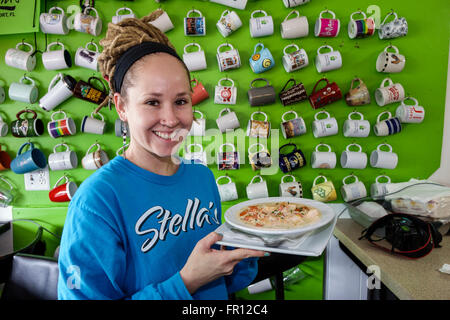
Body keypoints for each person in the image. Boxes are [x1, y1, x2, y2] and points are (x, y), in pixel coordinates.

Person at [57, 14, 266, 300]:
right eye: (152, 102)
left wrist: (249, 249)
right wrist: (187, 281)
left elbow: (224, 283)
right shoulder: (96, 202)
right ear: (121, 106)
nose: (170, 119)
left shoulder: (201, 177)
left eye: (181, 101)